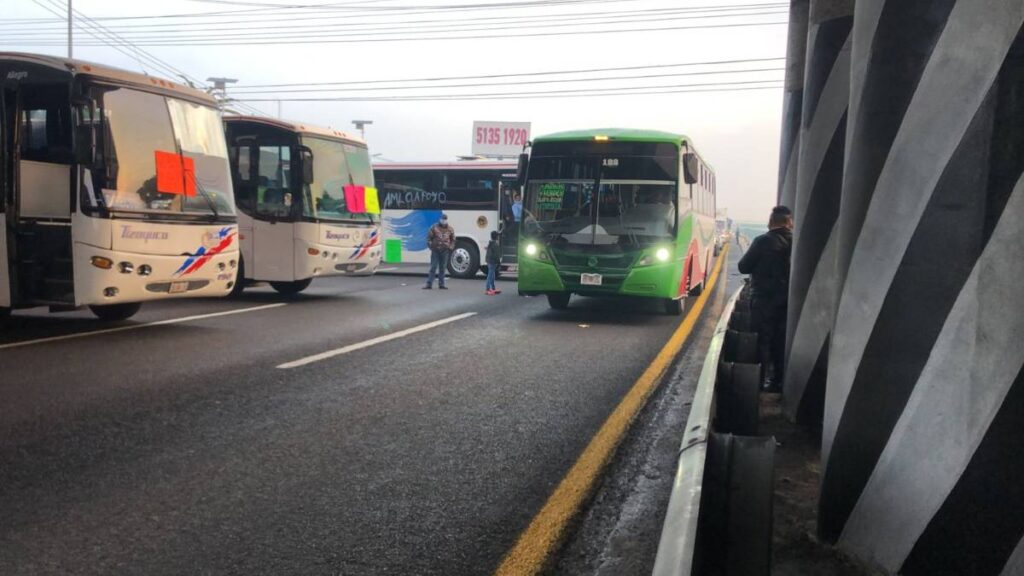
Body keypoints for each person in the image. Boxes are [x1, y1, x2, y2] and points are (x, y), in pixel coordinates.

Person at [737, 206, 793, 392]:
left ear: (771, 222)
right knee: (780, 341)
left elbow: (743, 267)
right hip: (788, 301)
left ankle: (758, 383)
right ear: (789, 222)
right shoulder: (797, 242)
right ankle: (778, 381)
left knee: (762, 341)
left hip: (763, 300)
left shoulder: (762, 241)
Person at [424, 213, 456, 289]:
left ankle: (441, 284)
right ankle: (429, 284)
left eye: (445, 219)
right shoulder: (434, 227)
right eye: (442, 219)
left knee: (442, 268)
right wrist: (431, 246)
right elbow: (429, 238)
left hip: (445, 251)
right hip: (435, 250)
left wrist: (450, 247)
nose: (443, 220)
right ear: (440, 219)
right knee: (433, 267)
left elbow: (453, 240)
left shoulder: (450, 229)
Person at [484, 231, 502, 295]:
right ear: (497, 237)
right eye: (498, 236)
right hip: (493, 261)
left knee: (492, 274)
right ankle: (487, 289)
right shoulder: (495, 245)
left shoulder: (490, 243)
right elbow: (497, 255)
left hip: (489, 260)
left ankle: (493, 288)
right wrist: (499, 262)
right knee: (490, 275)